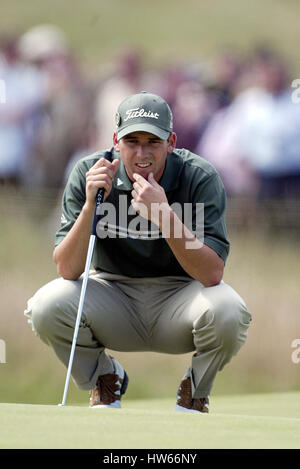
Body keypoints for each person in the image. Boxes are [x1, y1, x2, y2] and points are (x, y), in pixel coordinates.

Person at [25, 91, 251, 413]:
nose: (141, 153)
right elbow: (67, 269)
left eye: (152, 142)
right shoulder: (90, 173)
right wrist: (91, 205)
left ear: (171, 142)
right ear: (116, 141)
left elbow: (212, 273)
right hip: (112, 293)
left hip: (180, 298)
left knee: (230, 310)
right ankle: (103, 378)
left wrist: (164, 215)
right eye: (132, 141)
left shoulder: (198, 177)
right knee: (46, 305)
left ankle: (195, 391)